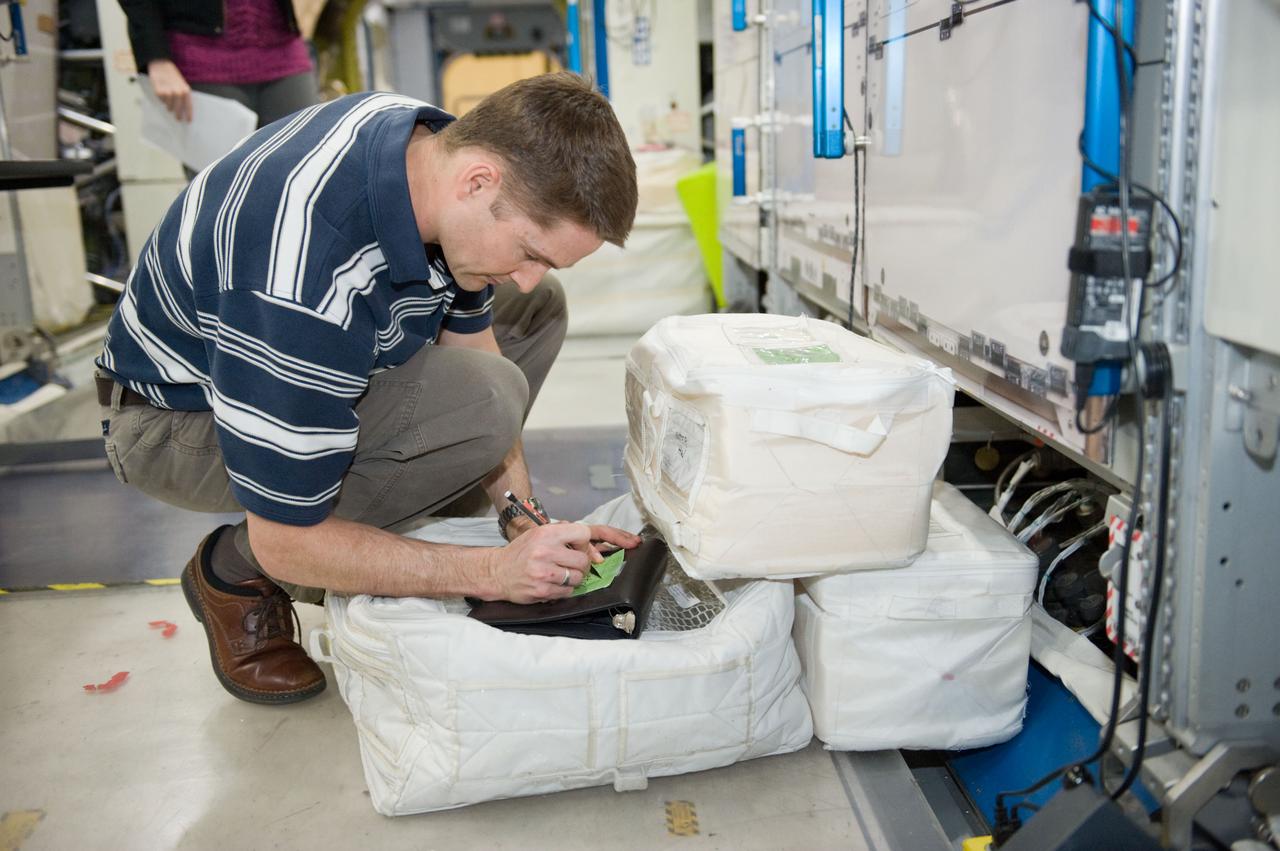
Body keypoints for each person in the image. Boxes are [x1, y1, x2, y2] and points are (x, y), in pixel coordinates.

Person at [94, 72, 641, 706]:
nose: (523, 275)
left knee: (536, 312)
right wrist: (491, 573)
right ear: (479, 180)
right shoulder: (297, 266)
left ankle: (392, 527)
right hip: (170, 423)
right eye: (528, 251)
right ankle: (234, 571)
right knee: (483, 403)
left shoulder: (428, 148)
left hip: (295, 352)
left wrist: (521, 517)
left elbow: (474, 342)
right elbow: (287, 540)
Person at [119, 0, 317, 127]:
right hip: (201, 57)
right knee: (223, 184)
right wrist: (156, 57)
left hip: (282, 47)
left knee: (311, 173)